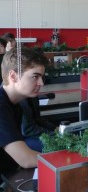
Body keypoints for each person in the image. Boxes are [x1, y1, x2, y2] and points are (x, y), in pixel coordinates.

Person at [1, 48, 49, 176]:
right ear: (13, 76)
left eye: (42, 77)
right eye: (35, 76)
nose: (41, 83)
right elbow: (25, 159)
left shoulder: (15, 103)